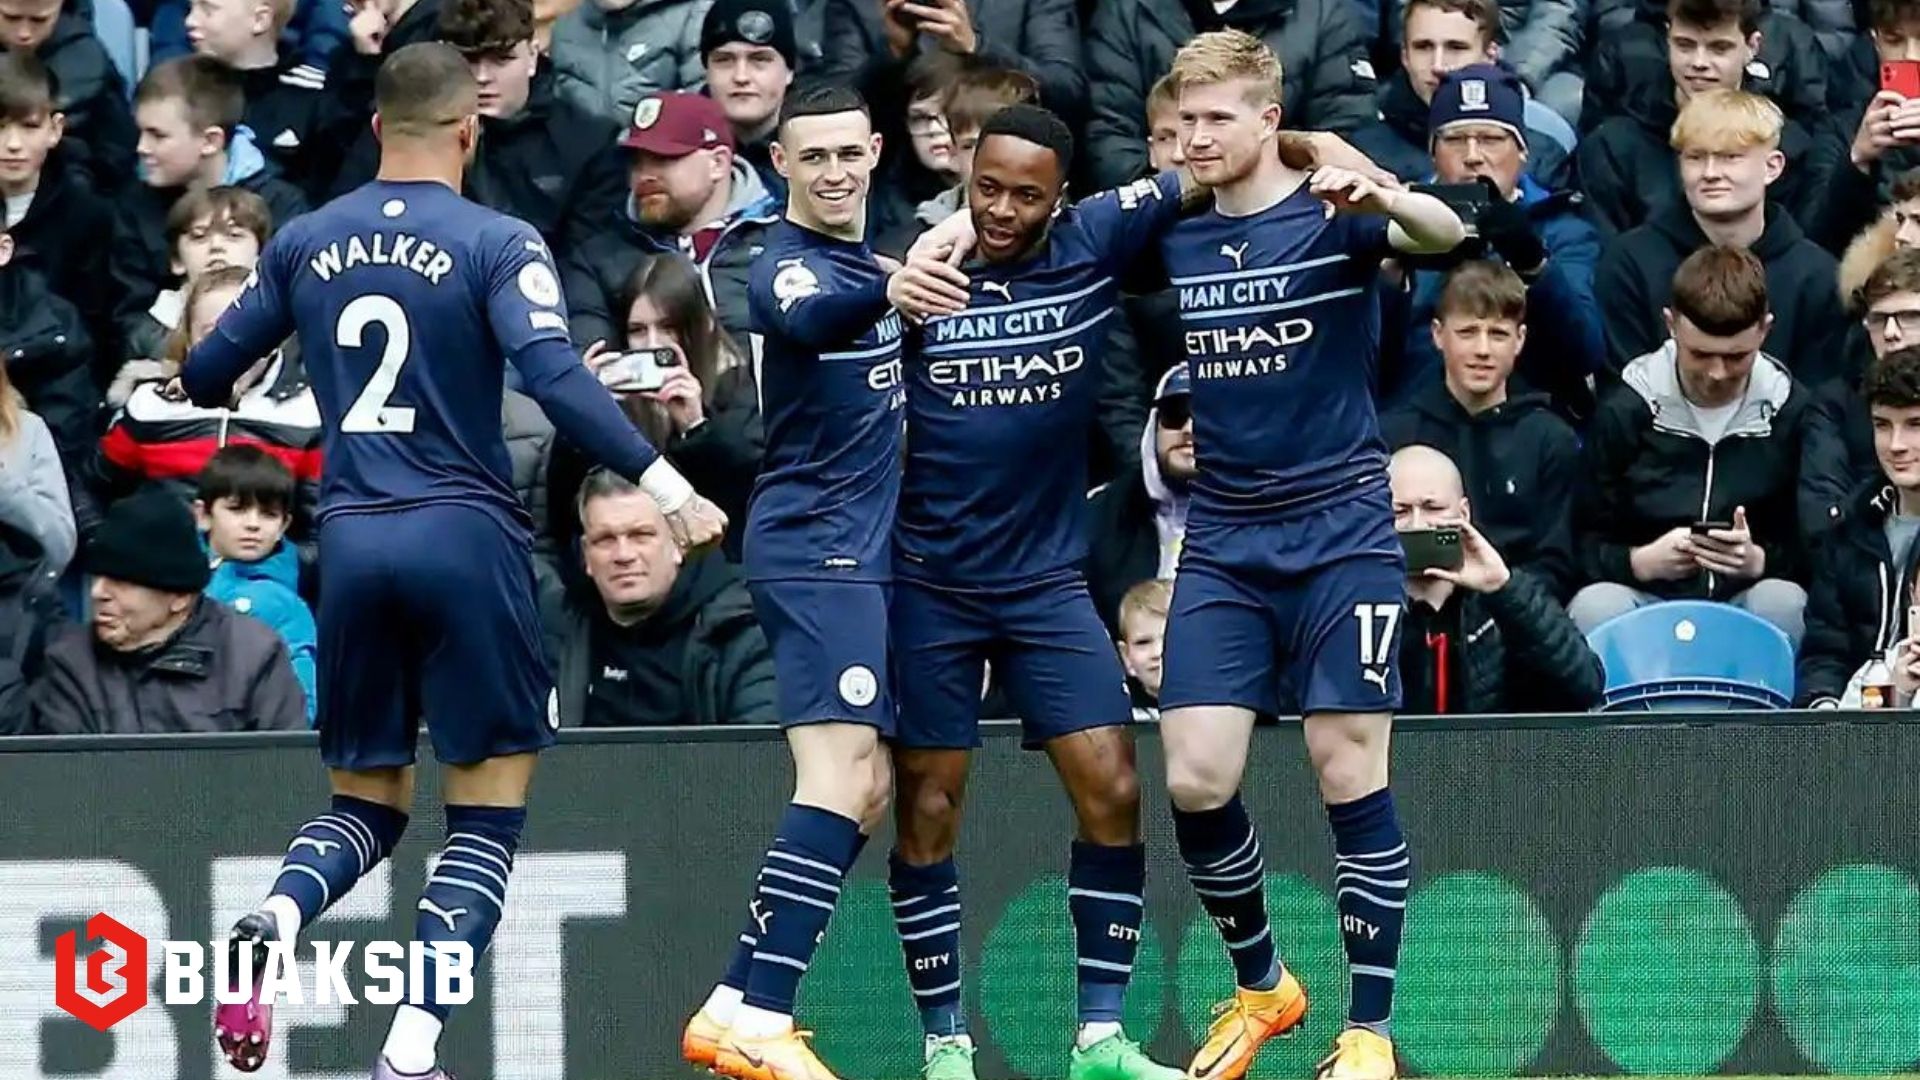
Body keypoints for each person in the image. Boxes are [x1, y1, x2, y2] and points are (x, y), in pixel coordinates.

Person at [176, 42, 724, 1079]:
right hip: (466, 537)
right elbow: (553, 375)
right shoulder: (497, 241)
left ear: (376, 126)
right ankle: (412, 1046)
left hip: (352, 540)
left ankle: (275, 917)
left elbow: (207, 372)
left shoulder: (305, 239)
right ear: (470, 129)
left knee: (363, 807)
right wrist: (667, 485)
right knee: (482, 821)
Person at [1153, 29, 1463, 1080]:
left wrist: (1385, 193)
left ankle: (1369, 1032)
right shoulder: (1176, 230)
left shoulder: (1337, 210)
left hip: (1343, 534)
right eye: (1185, 120)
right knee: (1196, 775)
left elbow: (1446, 231)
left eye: (1218, 118)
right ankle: (1263, 986)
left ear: (1268, 119)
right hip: (1226, 539)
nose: (1198, 138)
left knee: (1347, 766)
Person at [881, 102, 1198, 1080]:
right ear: (965, 178)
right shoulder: (923, 273)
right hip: (931, 581)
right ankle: (944, 1043)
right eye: (986, 189)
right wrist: (904, 277)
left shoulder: (1095, 240)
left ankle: (1100, 1037)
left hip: (1047, 582)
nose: (1002, 211)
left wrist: (1319, 149)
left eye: (1027, 195)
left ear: (1062, 199)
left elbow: (1208, 167)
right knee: (929, 804)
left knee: (1114, 785)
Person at [678, 83, 903, 1080]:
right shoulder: (786, 264)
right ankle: (767, 1012)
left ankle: (734, 999)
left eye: (849, 153)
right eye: (813, 157)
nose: (835, 172)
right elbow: (806, 317)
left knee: (871, 789)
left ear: (877, 150)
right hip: (817, 551)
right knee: (837, 777)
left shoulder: (871, 262)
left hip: (865, 555)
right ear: (779, 166)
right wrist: (900, 287)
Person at [1570, 245, 1811, 645]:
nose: (1717, 373)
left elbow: (1816, 543)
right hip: (1645, 600)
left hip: (1744, 601)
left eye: (1736, 357)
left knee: (1784, 602)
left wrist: (1759, 560)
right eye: (1700, 354)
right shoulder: (1627, 409)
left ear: (1765, 330)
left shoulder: (1790, 410)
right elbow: (1581, 539)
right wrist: (1637, 562)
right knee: (1595, 606)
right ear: (1671, 325)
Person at [1592, 88, 1849, 386]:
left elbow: (1821, 396)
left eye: (1730, 157)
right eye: (1696, 157)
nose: (1710, 173)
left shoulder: (1817, 275)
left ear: (1773, 166)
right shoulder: (1629, 262)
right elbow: (1622, 391)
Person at [1388, 63, 1604, 417]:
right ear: (1432, 152)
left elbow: (1584, 353)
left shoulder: (1561, 228)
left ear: (1522, 151)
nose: (1473, 156)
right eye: (1455, 139)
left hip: (1527, 423)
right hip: (1414, 420)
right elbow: (1365, 358)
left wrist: (1534, 266)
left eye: (1491, 139)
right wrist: (1391, 277)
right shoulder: (1398, 220)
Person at [31, 488, 308, 734]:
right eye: (97, 577)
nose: (98, 592)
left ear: (179, 598)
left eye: (121, 582)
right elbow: (67, 771)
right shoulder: (71, 662)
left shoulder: (253, 655)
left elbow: (283, 767)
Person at [1382, 261, 1580, 600]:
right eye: (1468, 332)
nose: (1482, 350)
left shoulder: (1549, 439)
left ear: (1520, 340)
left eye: (1498, 334)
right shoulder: (1395, 434)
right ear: (1437, 334)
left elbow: (1557, 564)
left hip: (1514, 612)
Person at [553, 251, 763, 563]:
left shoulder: (739, 386)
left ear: (702, 324)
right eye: (638, 330)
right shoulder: (615, 404)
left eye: (668, 327)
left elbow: (746, 502)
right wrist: (583, 416)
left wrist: (696, 428)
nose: (653, 343)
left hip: (721, 569)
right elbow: (563, 512)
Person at [93, 265, 322, 545]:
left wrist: (287, 566)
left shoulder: (305, 412)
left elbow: (318, 525)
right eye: (212, 334)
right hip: (168, 562)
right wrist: (111, 548)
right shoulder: (150, 407)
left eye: (249, 331)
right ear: (189, 340)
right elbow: (97, 487)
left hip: (268, 569)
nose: (232, 348)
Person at [110, 56, 308, 372]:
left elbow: (298, 305)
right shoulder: (135, 206)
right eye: (141, 133)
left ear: (210, 141)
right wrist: (185, 356)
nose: (141, 147)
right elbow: (129, 315)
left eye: (157, 135)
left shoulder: (282, 205)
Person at [543, 467, 777, 726]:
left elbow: (757, 743)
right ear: (586, 554)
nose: (623, 555)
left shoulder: (738, 630)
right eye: (605, 539)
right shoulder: (558, 630)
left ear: (678, 543)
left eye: (641, 536)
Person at [1579, 0, 1825, 237]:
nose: (1699, 63)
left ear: (1752, 46)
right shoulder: (1613, 146)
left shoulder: (1785, 146)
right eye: (1685, 45)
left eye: (1719, 48)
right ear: (1668, 39)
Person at [1389, 445, 1603, 713]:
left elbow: (1585, 685)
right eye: (1400, 511)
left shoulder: (1502, 595)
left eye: (1433, 507)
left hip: (1489, 740)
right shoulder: (1361, 599)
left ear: (1463, 513)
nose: (1417, 524)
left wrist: (1505, 588)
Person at [561, 89, 779, 350]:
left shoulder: (783, 244)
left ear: (718, 163)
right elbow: (588, 354)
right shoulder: (599, 259)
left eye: (664, 158)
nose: (645, 175)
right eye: (637, 162)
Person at [1798, 344, 1920, 705]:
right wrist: (1824, 710)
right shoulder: (1850, 527)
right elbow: (1825, 651)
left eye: (1915, 425)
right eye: (1882, 425)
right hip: (1861, 713)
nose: (1896, 445)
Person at [1349, 0, 1577, 186]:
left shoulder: (1542, 153)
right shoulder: (1362, 155)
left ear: (1490, 55)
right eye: (1423, 47)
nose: (1438, 65)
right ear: (1404, 56)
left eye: (1456, 47)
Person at [195, 444, 318, 722]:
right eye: (237, 509)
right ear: (203, 515)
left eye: (268, 514)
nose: (253, 524)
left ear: (284, 525)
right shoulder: (168, 582)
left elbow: (301, 705)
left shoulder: (286, 606)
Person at [1086, 363, 1192, 636]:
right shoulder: (1098, 516)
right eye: (1175, 413)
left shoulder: (1269, 515)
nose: (1189, 428)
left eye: (1206, 415)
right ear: (1154, 424)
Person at [701, 0, 797, 197]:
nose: (741, 76)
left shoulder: (822, 147)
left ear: (789, 72)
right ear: (706, 72)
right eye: (724, 60)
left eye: (759, 60)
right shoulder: (681, 150)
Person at [1115, 577, 1170, 707]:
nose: (1158, 652)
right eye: (1143, 642)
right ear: (1126, 656)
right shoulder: (1116, 714)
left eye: (1170, 639)